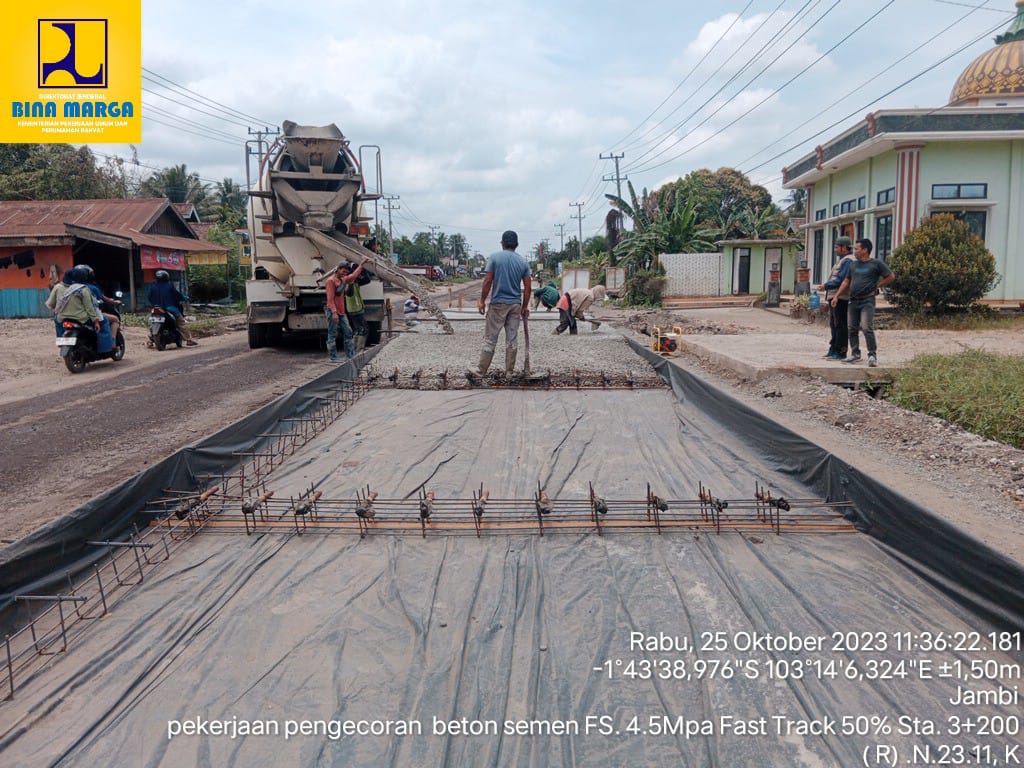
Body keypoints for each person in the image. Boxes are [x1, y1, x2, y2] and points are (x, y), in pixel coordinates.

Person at [468, 230, 531, 379]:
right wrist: (524, 307)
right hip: (515, 305)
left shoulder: (494, 258)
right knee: (512, 338)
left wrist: (482, 301)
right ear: (516, 244)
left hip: (498, 304)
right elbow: (528, 288)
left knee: (491, 338)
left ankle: (481, 370)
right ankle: (509, 372)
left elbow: (488, 281)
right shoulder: (523, 262)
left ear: (502, 243)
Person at [831, 238, 894, 367]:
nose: (854, 251)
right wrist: (836, 296)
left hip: (867, 301)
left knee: (866, 327)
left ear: (865, 250)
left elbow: (890, 276)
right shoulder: (853, 265)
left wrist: (877, 286)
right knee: (852, 328)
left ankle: (872, 355)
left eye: (857, 249)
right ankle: (855, 353)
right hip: (853, 300)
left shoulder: (876, 264)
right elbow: (846, 281)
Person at [324, 257, 369, 361]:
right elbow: (330, 300)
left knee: (348, 332)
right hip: (333, 311)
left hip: (341, 311)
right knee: (332, 333)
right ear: (338, 269)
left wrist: (361, 265)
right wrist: (334, 313)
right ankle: (333, 357)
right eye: (343, 271)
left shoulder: (343, 279)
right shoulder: (330, 281)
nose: (345, 274)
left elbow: (353, 276)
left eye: (346, 272)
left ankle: (350, 355)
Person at [819, 236, 855, 360]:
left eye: (837, 247)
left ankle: (840, 351)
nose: (835, 250)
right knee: (834, 324)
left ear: (844, 247)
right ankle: (833, 349)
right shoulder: (842, 260)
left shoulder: (848, 261)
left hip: (841, 297)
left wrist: (826, 286)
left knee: (840, 324)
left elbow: (841, 279)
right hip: (834, 296)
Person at [46, 266, 103, 337]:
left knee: (57, 320)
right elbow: (89, 308)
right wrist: (96, 321)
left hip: (62, 318)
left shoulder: (58, 287)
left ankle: (60, 338)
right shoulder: (83, 289)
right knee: (94, 328)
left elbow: (50, 304)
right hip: (81, 319)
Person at [148, 270, 197, 346]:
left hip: (156, 308)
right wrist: (184, 298)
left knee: (153, 323)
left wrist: (154, 304)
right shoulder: (169, 286)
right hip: (170, 308)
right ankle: (188, 340)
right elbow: (177, 295)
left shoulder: (153, 286)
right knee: (181, 322)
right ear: (166, 277)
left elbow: (149, 297)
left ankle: (150, 340)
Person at [344, 263, 368, 352]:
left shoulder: (353, 281)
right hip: (356, 308)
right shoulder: (349, 282)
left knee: (357, 330)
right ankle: (359, 350)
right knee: (363, 329)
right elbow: (349, 293)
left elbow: (367, 280)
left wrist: (363, 268)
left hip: (354, 308)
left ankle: (354, 350)